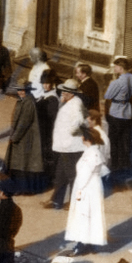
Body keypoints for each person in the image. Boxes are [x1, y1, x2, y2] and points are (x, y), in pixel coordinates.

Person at [62, 125, 109, 257]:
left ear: (86, 139)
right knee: (91, 214)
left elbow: (84, 175)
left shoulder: (91, 153)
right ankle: (89, 242)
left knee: (83, 214)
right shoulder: (94, 151)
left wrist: (78, 193)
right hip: (93, 186)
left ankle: (82, 244)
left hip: (87, 187)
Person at [102, 56, 132, 183]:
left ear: (121, 68)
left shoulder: (116, 82)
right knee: (125, 140)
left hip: (116, 112)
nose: (114, 68)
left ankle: (115, 167)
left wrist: (112, 81)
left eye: (116, 67)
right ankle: (125, 165)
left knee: (114, 141)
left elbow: (107, 95)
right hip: (127, 111)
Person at [50, 79, 87, 207]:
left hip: (71, 146)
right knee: (61, 175)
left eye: (67, 92)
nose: (63, 93)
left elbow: (77, 123)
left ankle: (75, 203)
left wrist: (67, 136)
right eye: (63, 91)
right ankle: (56, 201)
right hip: (65, 146)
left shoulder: (76, 104)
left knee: (72, 176)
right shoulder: (69, 102)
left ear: (73, 93)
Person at [5, 83, 47, 195]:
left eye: (23, 90)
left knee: (22, 164)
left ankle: (22, 188)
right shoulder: (23, 100)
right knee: (21, 164)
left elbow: (24, 122)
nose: (20, 92)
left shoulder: (28, 102)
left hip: (25, 138)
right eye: (19, 90)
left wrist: (15, 137)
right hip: (22, 137)